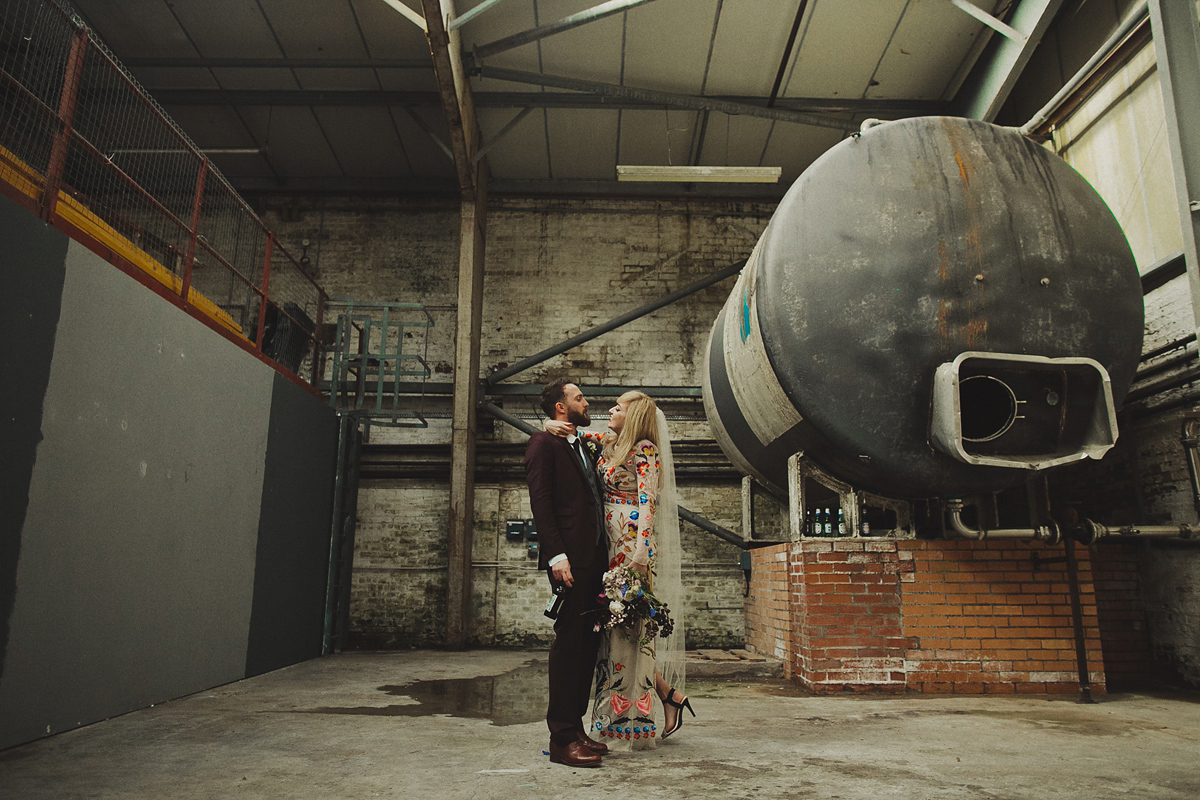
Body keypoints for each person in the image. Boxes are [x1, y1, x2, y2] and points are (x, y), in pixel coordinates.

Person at [546, 390, 694, 751]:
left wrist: (640, 555)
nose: (610, 410)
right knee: (614, 632)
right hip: (606, 545)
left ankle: (631, 721)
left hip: (630, 550)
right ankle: (668, 695)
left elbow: (648, 504)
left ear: (635, 415)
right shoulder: (607, 442)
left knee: (631, 632)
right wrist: (548, 423)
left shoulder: (644, 450)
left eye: (618, 407)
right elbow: (572, 436)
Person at [525, 378, 610, 768]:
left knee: (587, 644)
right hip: (569, 561)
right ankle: (560, 737)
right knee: (568, 643)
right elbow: (540, 501)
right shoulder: (544, 444)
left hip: (595, 559)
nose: (586, 401)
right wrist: (556, 555)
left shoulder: (581, 442)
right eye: (579, 398)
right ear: (561, 407)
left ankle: (576, 729)